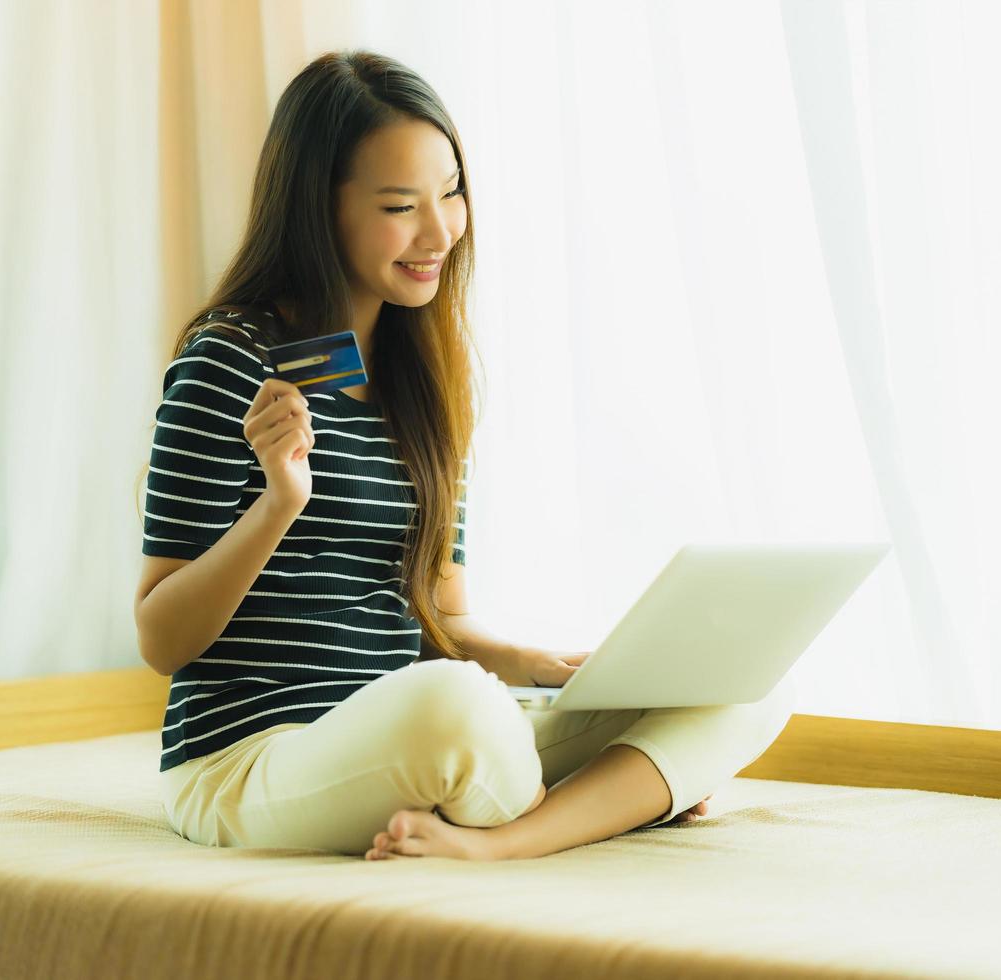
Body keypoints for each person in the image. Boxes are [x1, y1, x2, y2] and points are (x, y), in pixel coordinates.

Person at [133, 50, 795, 861]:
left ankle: (503, 840)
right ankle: (612, 802)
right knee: (457, 708)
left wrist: (537, 663)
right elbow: (162, 638)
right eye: (401, 205)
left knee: (743, 683)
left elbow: (440, 618)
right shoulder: (227, 360)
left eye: (451, 193)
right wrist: (279, 504)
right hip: (250, 759)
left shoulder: (424, 381)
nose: (440, 230)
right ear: (319, 207)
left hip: (398, 728)